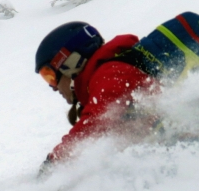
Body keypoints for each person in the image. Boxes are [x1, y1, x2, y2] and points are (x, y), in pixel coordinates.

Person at [34, 21, 160, 168]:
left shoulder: (111, 73)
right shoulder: (104, 78)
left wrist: (54, 164)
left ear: (71, 62)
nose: (53, 87)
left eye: (50, 76)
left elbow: (95, 123)